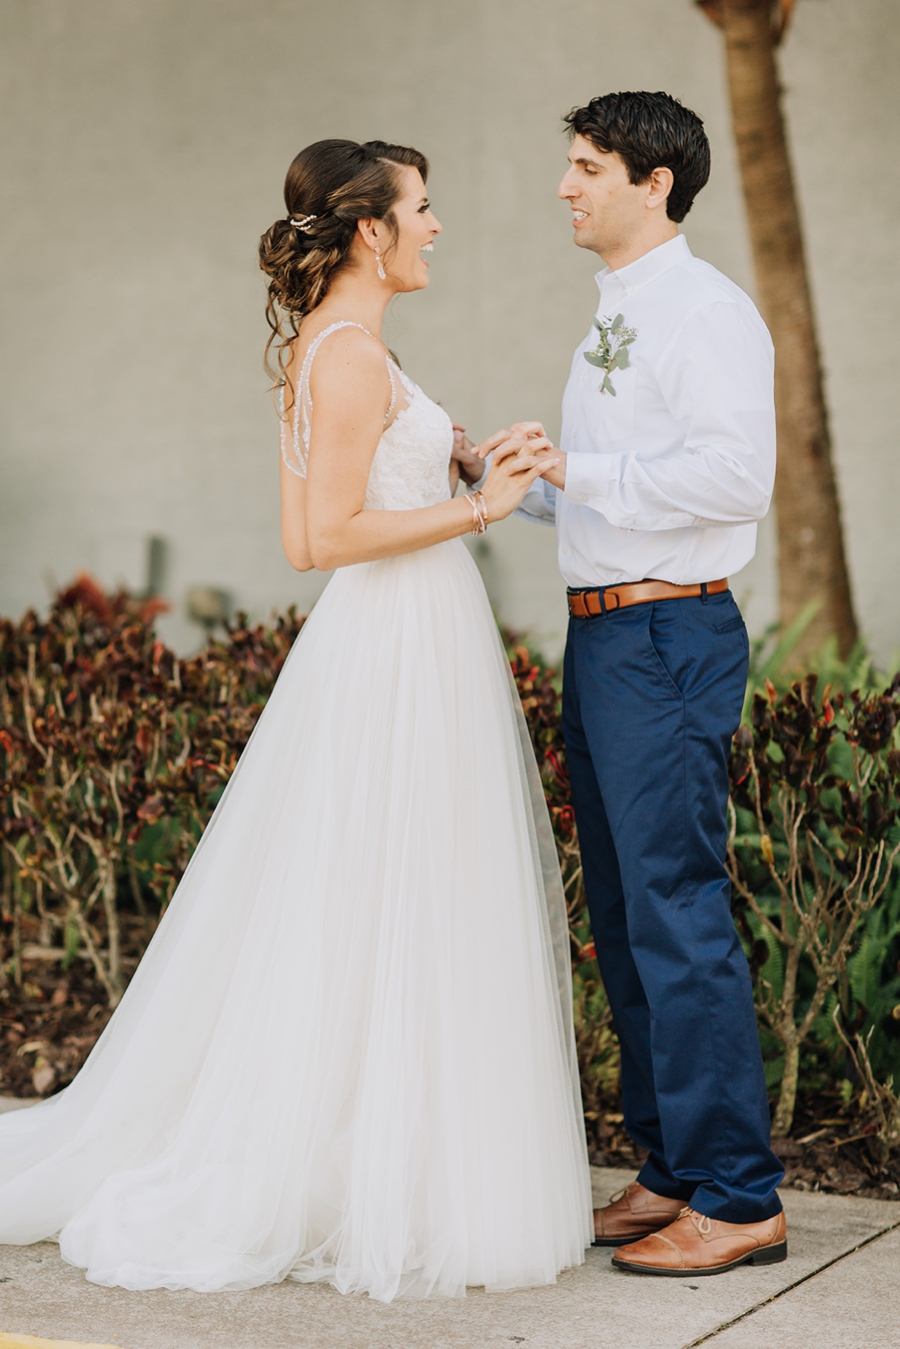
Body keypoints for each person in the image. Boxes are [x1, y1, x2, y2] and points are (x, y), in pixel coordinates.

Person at [0, 138, 592, 1301]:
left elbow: (351, 503)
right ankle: (370, 1169)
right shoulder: (351, 356)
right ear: (372, 229)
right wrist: (481, 503)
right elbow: (319, 542)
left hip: (403, 634)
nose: (436, 226)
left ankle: (383, 1154)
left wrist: (479, 454)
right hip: (398, 640)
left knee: (385, 892)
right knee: (390, 890)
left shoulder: (344, 346)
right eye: (425, 208)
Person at [487, 92, 787, 1276]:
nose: (567, 186)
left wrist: (583, 466)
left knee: (678, 913)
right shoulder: (616, 311)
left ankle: (740, 1193)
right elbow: (629, 488)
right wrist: (524, 477)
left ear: (655, 183)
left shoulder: (708, 313)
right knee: (623, 915)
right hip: (607, 634)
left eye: (587, 165)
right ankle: (670, 1167)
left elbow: (733, 478)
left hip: (667, 638)